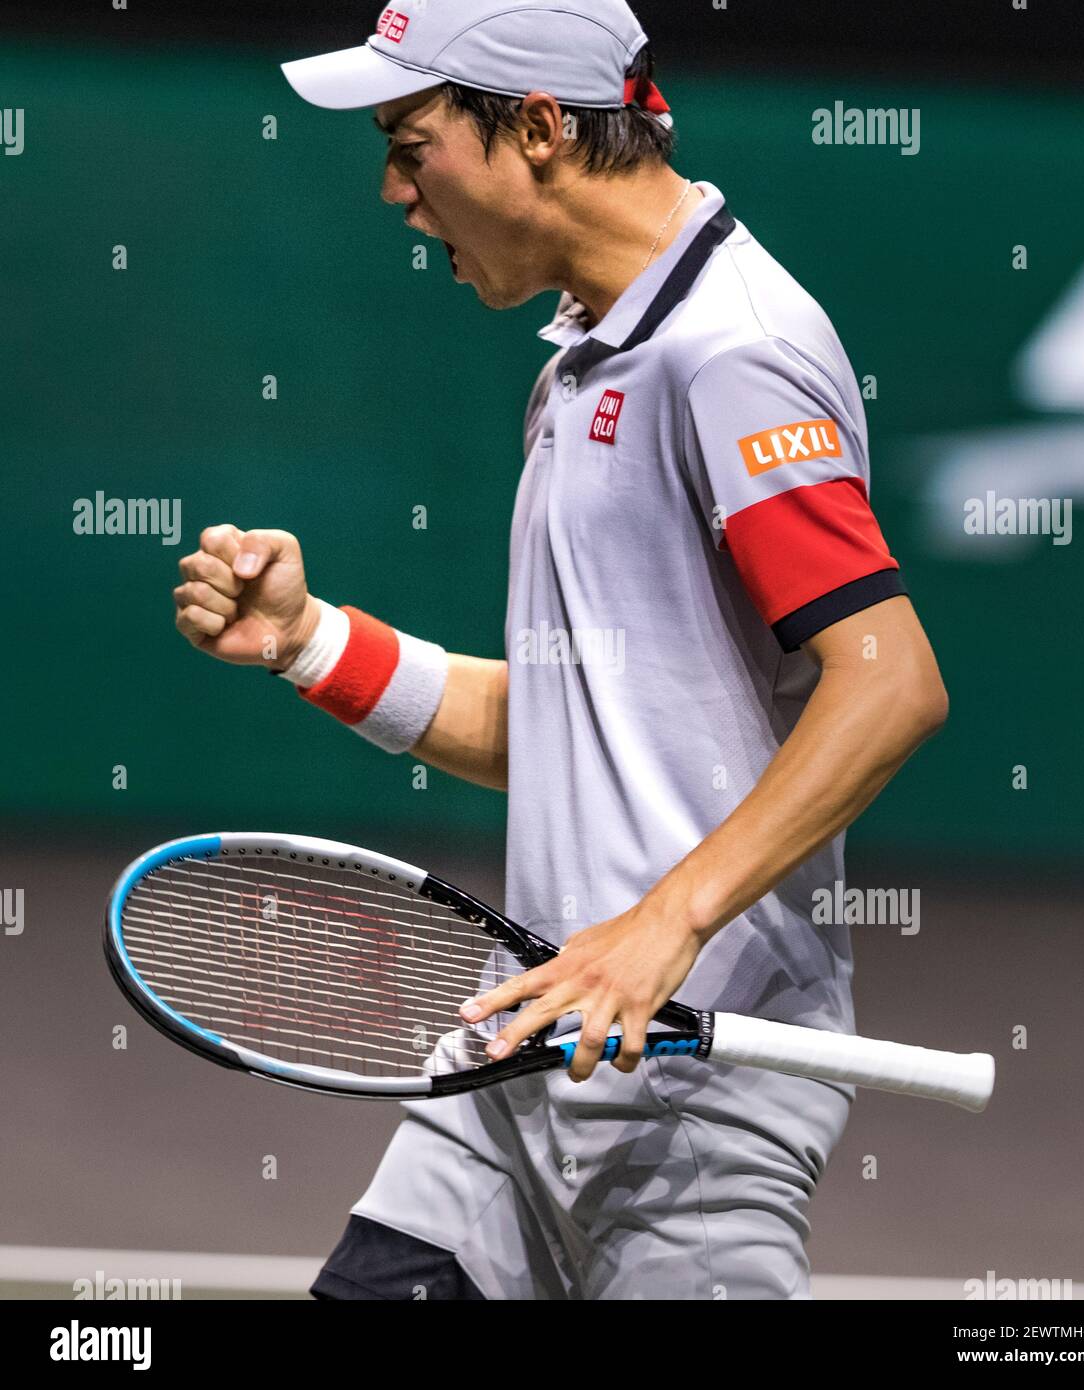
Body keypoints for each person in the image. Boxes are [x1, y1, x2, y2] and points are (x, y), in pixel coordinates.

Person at [174, 1, 948, 1299]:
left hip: (695, 1093)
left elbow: (889, 680)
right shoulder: (590, 360)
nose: (392, 191)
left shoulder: (731, 352)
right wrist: (312, 643)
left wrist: (664, 922)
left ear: (534, 127)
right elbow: (573, 733)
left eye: (409, 143)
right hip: (519, 1051)